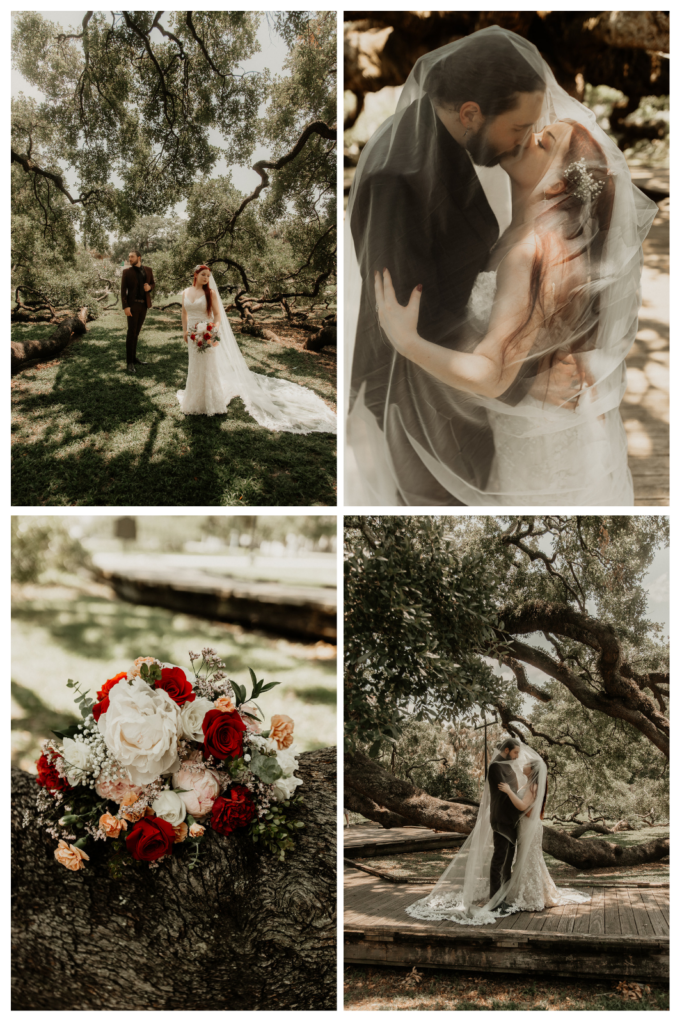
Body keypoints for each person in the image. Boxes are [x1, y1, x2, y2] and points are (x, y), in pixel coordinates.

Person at [345, 26, 658, 506]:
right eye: (520, 129)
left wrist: (534, 363)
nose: (524, 139)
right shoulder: (398, 179)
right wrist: (525, 383)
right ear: (471, 113)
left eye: (536, 137)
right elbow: (414, 321)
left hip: (492, 418)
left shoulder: (497, 185)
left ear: (557, 186)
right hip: (415, 408)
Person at [405, 737, 589, 925]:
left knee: (509, 860)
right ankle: (495, 900)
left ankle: (504, 896)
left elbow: (518, 799)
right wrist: (511, 799)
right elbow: (502, 797)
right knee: (500, 859)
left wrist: (513, 798)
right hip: (502, 821)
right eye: (516, 753)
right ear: (507, 750)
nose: (519, 758)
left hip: (515, 823)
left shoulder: (511, 769)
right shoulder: (496, 767)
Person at [176, 265, 337, 434]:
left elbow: (217, 315)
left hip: (207, 333)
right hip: (193, 335)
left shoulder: (211, 294)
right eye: (203, 275)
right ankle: (193, 400)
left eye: (208, 276)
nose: (206, 278)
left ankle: (210, 402)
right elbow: (183, 314)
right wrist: (185, 331)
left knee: (208, 366)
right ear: (195, 275)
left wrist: (213, 330)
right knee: (194, 366)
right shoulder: (186, 292)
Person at [121, 250, 155, 374]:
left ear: (139, 257)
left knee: (136, 333)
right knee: (131, 332)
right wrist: (125, 306)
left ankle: (134, 358)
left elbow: (153, 283)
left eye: (132, 257)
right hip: (132, 305)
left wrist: (149, 287)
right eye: (129, 257)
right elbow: (123, 290)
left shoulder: (148, 270)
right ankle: (129, 362)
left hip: (144, 306)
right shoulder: (126, 272)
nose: (130, 259)